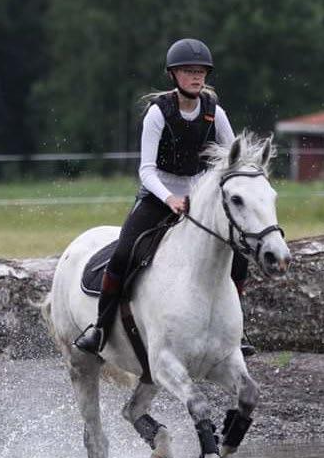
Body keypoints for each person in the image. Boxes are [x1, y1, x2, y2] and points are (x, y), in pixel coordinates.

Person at [73, 38, 254, 356]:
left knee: (238, 256)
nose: (196, 77)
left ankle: (237, 333)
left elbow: (232, 159)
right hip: (158, 196)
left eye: (201, 72)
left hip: (200, 199)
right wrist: (170, 198)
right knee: (124, 253)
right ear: (173, 75)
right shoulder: (158, 114)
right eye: (188, 71)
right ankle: (100, 328)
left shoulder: (216, 113)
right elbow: (146, 170)